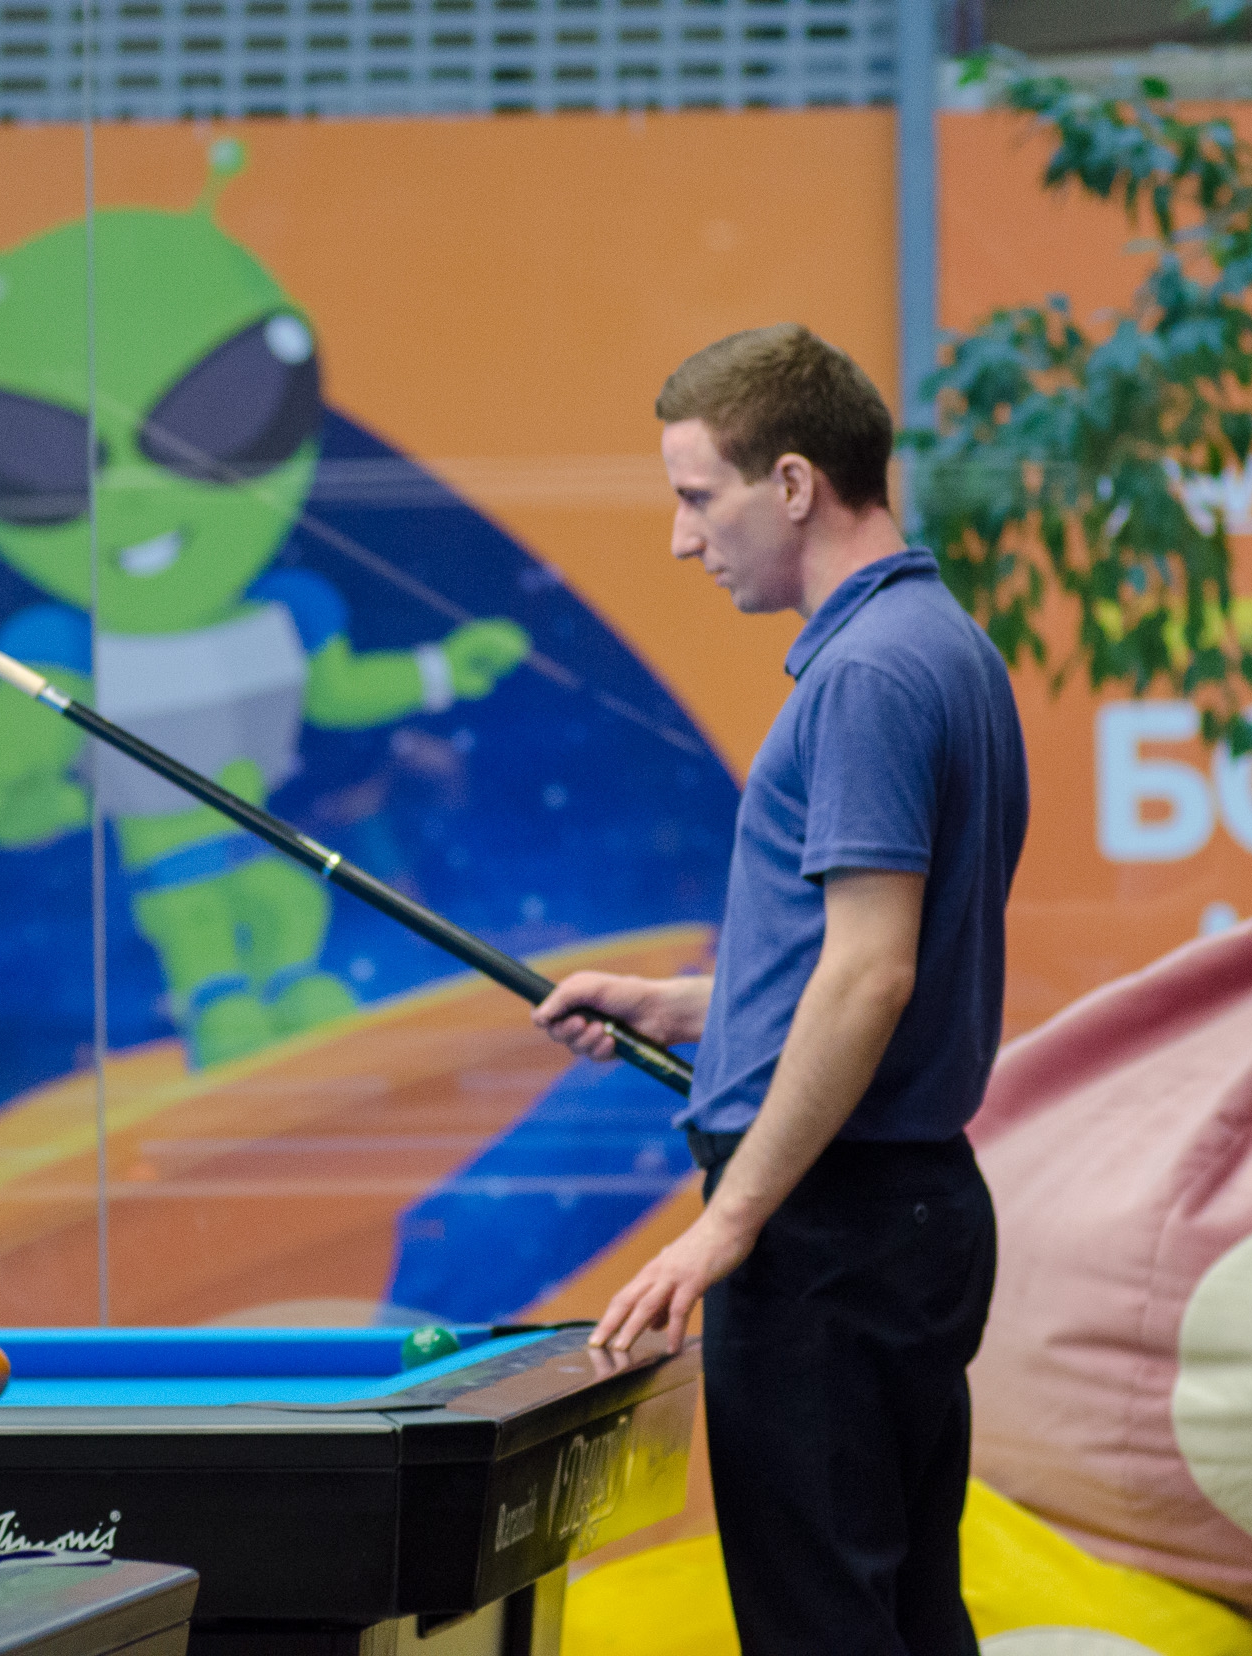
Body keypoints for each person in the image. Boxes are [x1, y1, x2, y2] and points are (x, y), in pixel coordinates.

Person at [534, 323, 1027, 1652]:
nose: (682, 538)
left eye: (700, 496)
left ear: (795, 484)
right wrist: (681, 1006)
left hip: (830, 1233)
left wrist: (730, 1224)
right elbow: (858, 971)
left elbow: (871, 977)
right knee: (906, 1615)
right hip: (901, 1213)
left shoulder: (864, 675)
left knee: (823, 1627)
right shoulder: (944, 646)